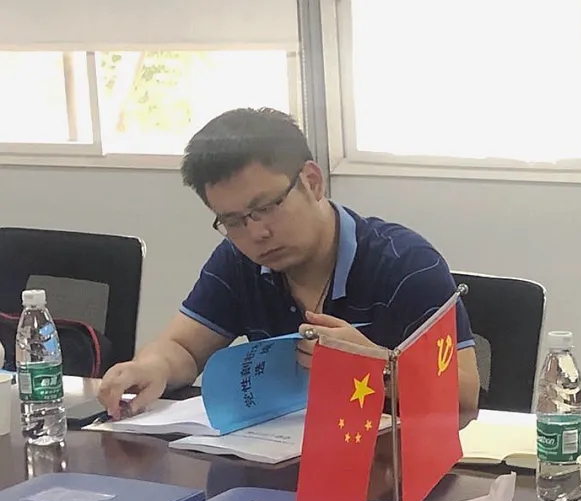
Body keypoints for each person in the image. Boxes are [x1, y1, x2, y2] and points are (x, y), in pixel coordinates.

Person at [97, 108, 480, 424]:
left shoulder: (405, 263)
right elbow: (183, 347)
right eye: (233, 221)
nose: (257, 233)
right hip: (279, 462)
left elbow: (465, 399)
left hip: (387, 467)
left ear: (312, 182)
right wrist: (152, 367)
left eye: (266, 208)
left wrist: (379, 365)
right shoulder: (238, 261)